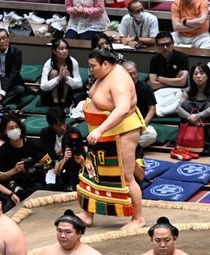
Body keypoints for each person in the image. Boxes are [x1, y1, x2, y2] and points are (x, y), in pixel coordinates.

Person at [76, 48, 146, 230]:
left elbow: (122, 109)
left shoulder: (119, 81)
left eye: (93, 66)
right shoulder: (105, 74)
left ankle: (138, 218)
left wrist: (99, 130)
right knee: (93, 172)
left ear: (105, 64)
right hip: (101, 131)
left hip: (121, 131)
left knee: (126, 176)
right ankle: (87, 214)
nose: (90, 70)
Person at [0, 114, 49, 201]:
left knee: (38, 189)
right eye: (11, 128)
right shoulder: (2, 151)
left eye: (16, 127)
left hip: (36, 183)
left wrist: (40, 168)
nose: (15, 130)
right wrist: (14, 171)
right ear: (4, 131)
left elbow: (48, 163)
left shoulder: (35, 145)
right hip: (15, 187)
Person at [176, 63, 210, 155]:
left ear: (208, 76)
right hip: (191, 120)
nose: (198, 76)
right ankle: (187, 141)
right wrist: (190, 117)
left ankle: (208, 144)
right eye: (195, 74)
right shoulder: (189, 90)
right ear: (192, 77)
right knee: (185, 105)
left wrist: (197, 116)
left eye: (202, 73)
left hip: (208, 120)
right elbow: (178, 108)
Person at [39, 108, 84, 191]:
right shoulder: (45, 133)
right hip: (52, 169)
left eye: (64, 122)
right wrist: (59, 153)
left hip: (71, 168)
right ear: (51, 125)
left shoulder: (74, 133)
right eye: (59, 125)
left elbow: (81, 155)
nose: (63, 127)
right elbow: (44, 160)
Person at [40, 38, 82, 109]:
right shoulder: (49, 63)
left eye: (66, 48)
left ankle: (64, 102)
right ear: (54, 51)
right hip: (51, 95)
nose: (65, 51)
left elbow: (79, 84)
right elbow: (43, 86)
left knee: (67, 72)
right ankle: (55, 103)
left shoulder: (73, 62)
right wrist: (58, 78)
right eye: (61, 49)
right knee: (54, 72)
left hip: (68, 94)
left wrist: (67, 78)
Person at [124, 61, 158, 149]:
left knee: (151, 135)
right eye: (129, 74)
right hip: (122, 124)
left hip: (141, 124)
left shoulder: (145, 87)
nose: (133, 76)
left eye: (134, 73)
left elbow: (152, 109)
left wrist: (143, 124)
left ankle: (127, 148)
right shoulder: (118, 88)